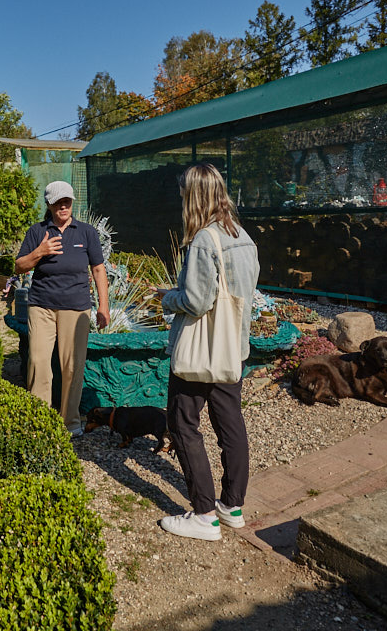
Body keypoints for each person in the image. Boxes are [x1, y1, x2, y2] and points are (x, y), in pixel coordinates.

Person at [155, 163, 259, 540]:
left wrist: (167, 298)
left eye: (184, 193)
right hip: (232, 348)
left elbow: (197, 302)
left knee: (183, 423)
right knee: (230, 423)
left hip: (201, 352)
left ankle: (202, 514)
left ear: (194, 196)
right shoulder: (243, 236)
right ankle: (231, 506)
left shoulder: (203, 239)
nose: (181, 199)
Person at [15, 180, 110, 436]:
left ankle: (70, 422)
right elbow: (19, 266)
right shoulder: (37, 232)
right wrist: (40, 252)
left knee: (72, 365)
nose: (64, 206)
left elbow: (99, 270)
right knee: (37, 362)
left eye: (67, 201)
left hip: (75, 308)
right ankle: (40, 421)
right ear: (49, 204)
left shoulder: (86, 232)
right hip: (41, 306)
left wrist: (104, 306)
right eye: (58, 202)